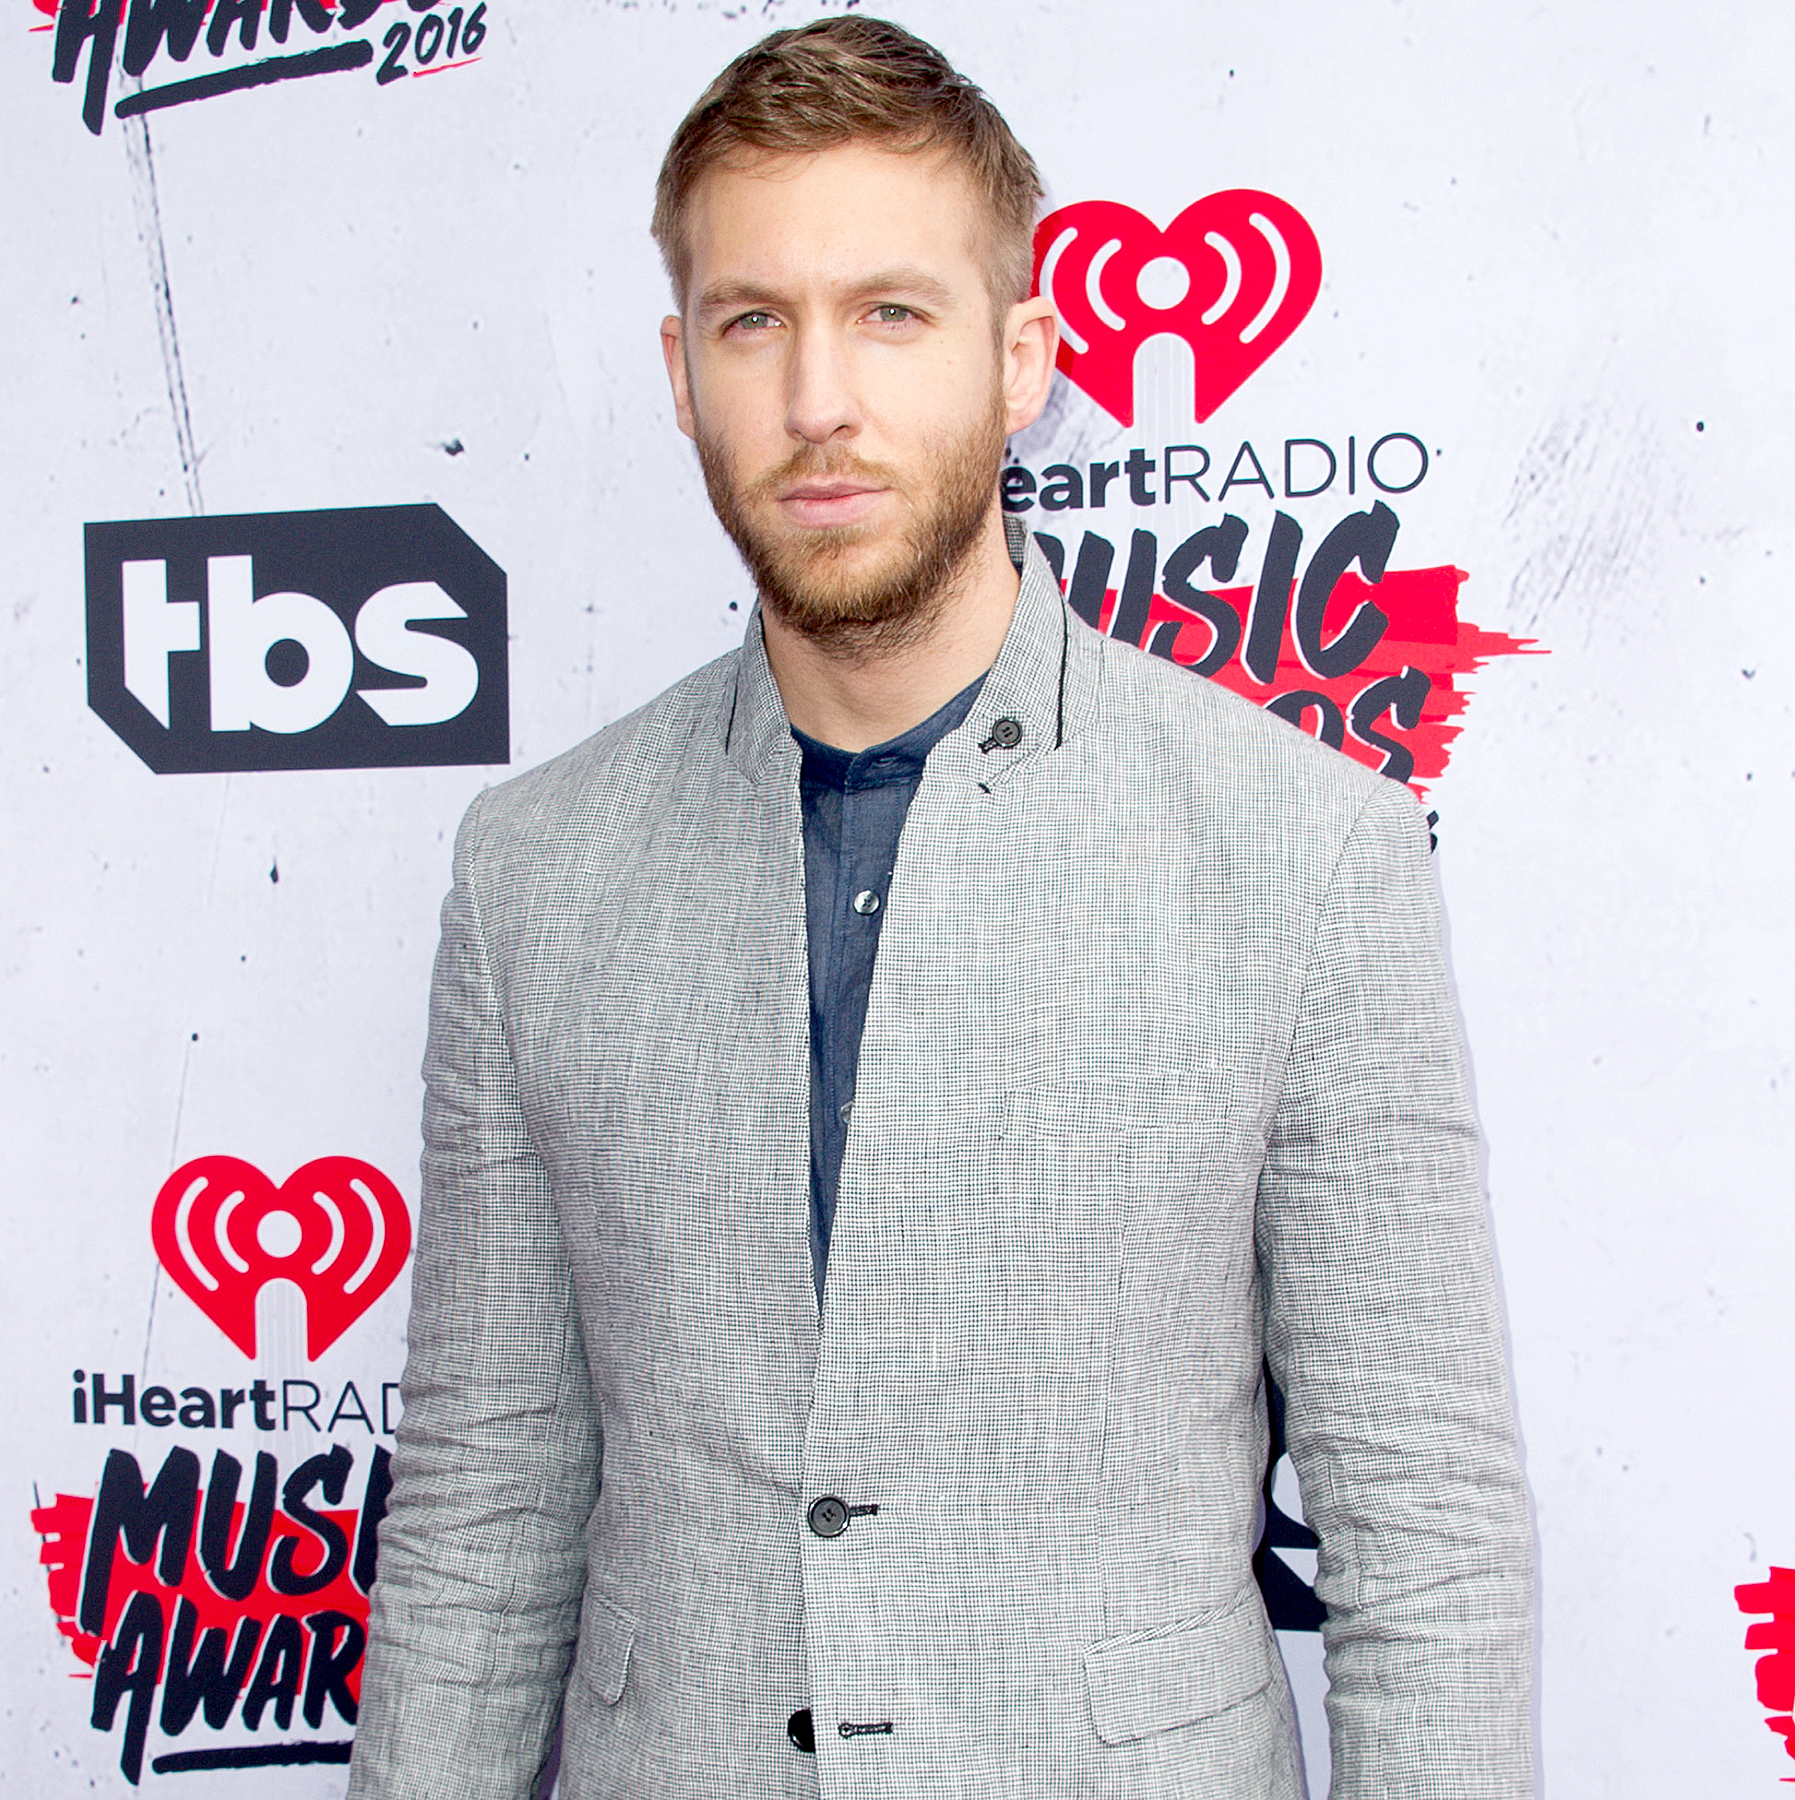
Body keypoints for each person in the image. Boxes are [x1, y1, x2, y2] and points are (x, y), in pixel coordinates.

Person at [349, 17, 1534, 1799]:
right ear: (683, 372)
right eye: (756, 321)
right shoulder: (536, 871)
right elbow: (485, 1503)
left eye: (891, 313)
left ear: (1021, 361)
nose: (818, 396)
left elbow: (1424, 1528)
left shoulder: (1301, 850)